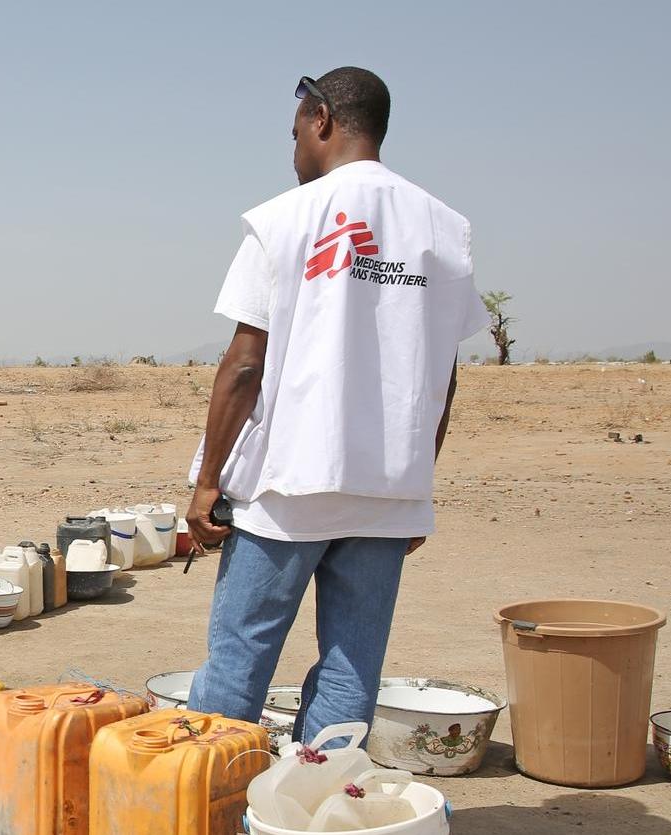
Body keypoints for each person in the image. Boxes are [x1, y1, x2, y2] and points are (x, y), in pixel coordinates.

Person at [184, 67, 488, 745]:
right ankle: (317, 810)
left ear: (322, 118)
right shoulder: (443, 231)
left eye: (294, 132)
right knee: (351, 677)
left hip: (288, 489)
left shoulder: (284, 220)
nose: (292, 150)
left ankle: (212, 805)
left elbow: (245, 363)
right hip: (384, 492)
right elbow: (443, 377)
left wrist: (208, 479)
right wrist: (415, 485)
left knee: (236, 671)